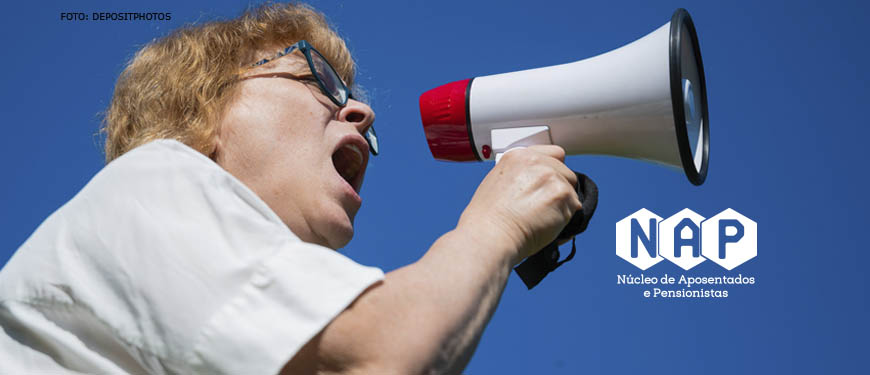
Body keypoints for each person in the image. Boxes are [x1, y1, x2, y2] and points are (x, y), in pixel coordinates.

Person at [0, 3, 581, 374]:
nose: (362, 112)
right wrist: (497, 226)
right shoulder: (151, 180)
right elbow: (385, 354)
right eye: (317, 78)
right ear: (201, 111)